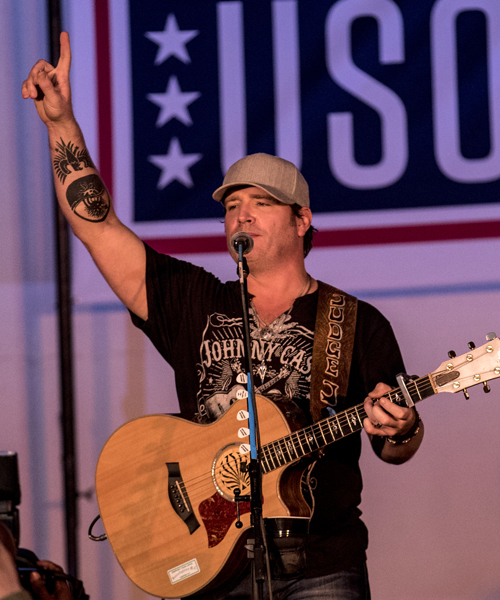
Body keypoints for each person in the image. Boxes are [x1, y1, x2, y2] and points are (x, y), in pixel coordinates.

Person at [22, 32, 424, 599]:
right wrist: (61, 124)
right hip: (209, 562)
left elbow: (395, 444)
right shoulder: (195, 299)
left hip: (321, 566)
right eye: (232, 207)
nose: (242, 216)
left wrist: (402, 426)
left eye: (260, 203)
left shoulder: (356, 322)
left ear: (302, 220)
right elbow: (96, 225)